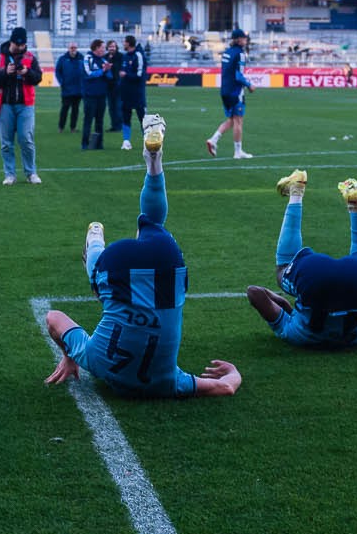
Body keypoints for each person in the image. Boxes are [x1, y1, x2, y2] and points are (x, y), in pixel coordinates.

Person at [43, 116, 240, 398]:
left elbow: (226, 386)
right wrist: (70, 354)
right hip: (117, 262)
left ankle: (153, 162)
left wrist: (234, 372)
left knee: (153, 223)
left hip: (166, 263)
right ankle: (95, 237)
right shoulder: (96, 363)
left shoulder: (170, 383)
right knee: (100, 282)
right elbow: (53, 318)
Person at [247, 170, 357, 348]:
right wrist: (286, 306)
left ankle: (355, 205)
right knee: (284, 267)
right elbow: (255, 292)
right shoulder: (295, 334)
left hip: (356, 277)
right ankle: (296, 191)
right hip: (313, 276)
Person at [0, 27, 42, 185]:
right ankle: (10, 174)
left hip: (26, 105)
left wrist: (27, 72)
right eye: (17, 44)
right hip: (4, 105)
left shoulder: (30, 58)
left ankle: (31, 173)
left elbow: (38, 78)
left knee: (26, 140)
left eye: (23, 44)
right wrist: (5, 72)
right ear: (11, 42)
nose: (20, 47)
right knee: (6, 143)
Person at [206, 27, 253, 159]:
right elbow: (238, 76)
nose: (245, 40)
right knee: (238, 121)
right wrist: (249, 85)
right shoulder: (240, 54)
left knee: (232, 120)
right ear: (238, 40)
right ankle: (238, 152)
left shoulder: (227, 52)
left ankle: (213, 140)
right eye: (244, 38)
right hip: (235, 92)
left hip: (225, 90)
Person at [114, 34, 148, 150]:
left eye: (124, 42)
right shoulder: (125, 56)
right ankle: (126, 141)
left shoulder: (138, 55)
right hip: (126, 92)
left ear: (128, 43)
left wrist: (126, 75)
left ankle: (147, 142)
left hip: (137, 93)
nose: (123, 44)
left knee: (143, 118)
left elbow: (140, 74)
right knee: (126, 117)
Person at [79, 37, 111, 151]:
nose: (104, 50)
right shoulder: (88, 58)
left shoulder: (104, 61)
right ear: (96, 48)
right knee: (88, 120)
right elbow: (88, 74)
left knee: (100, 121)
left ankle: (99, 144)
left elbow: (110, 77)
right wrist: (103, 71)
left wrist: (107, 70)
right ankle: (84, 144)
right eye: (102, 47)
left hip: (101, 95)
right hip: (90, 95)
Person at [55, 43, 86, 132]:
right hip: (67, 89)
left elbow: (86, 71)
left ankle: (73, 127)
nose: (73, 49)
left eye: (75, 47)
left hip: (78, 89)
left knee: (75, 109)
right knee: (65, 108)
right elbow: (58, 71)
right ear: (68, 48)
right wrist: (62, 82)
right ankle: (61, 127)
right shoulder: (63, 59)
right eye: (71, 48)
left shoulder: (82, 58)